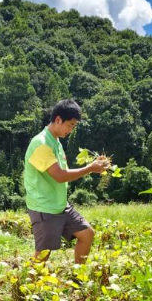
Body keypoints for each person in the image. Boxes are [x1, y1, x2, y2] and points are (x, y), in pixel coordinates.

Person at [23, 99, 109, 264]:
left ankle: (78, 276)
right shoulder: (40, 144)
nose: (71, 129)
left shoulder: (56, 142)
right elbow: (60, 175)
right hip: (44, 207)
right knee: (42, 256)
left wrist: (94, 165)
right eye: (70, 124)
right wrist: (90, 168)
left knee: (87, 234)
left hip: (60, 204)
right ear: (57, 120)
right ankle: (27, 288)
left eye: (74, 126)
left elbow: (65, 172)